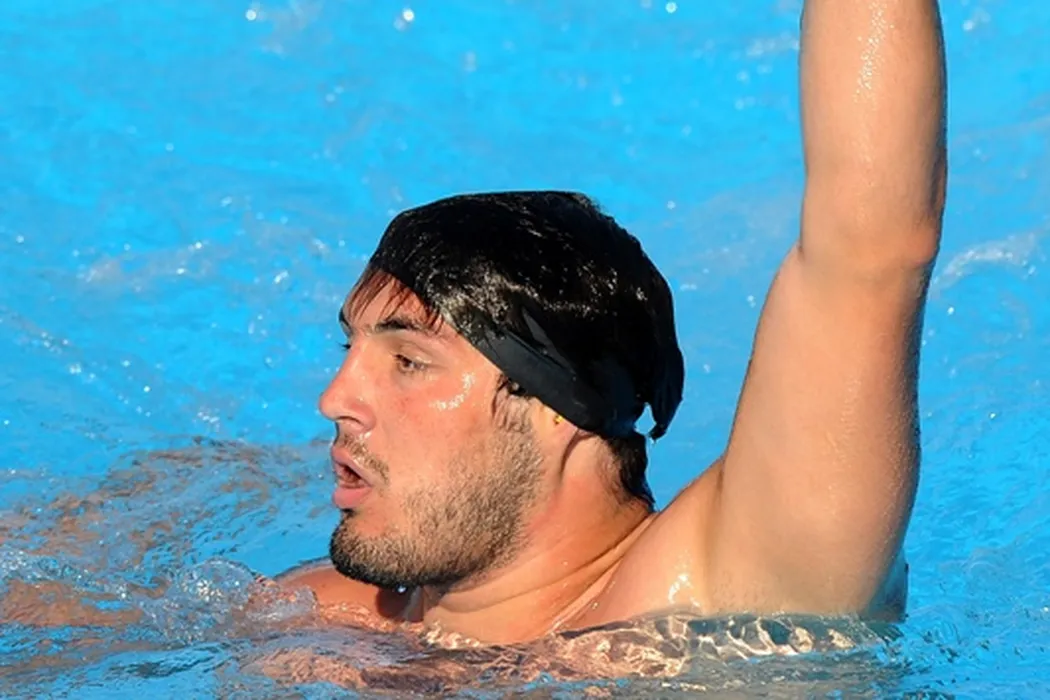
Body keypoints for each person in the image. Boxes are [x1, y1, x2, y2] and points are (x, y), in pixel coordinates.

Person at [279, 0, 948, 646]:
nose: (335, 399)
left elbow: (873, 250)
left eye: (408, 361)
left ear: (555, 409)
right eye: (348, 347)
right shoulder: (320, 622)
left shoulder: (726, 598)